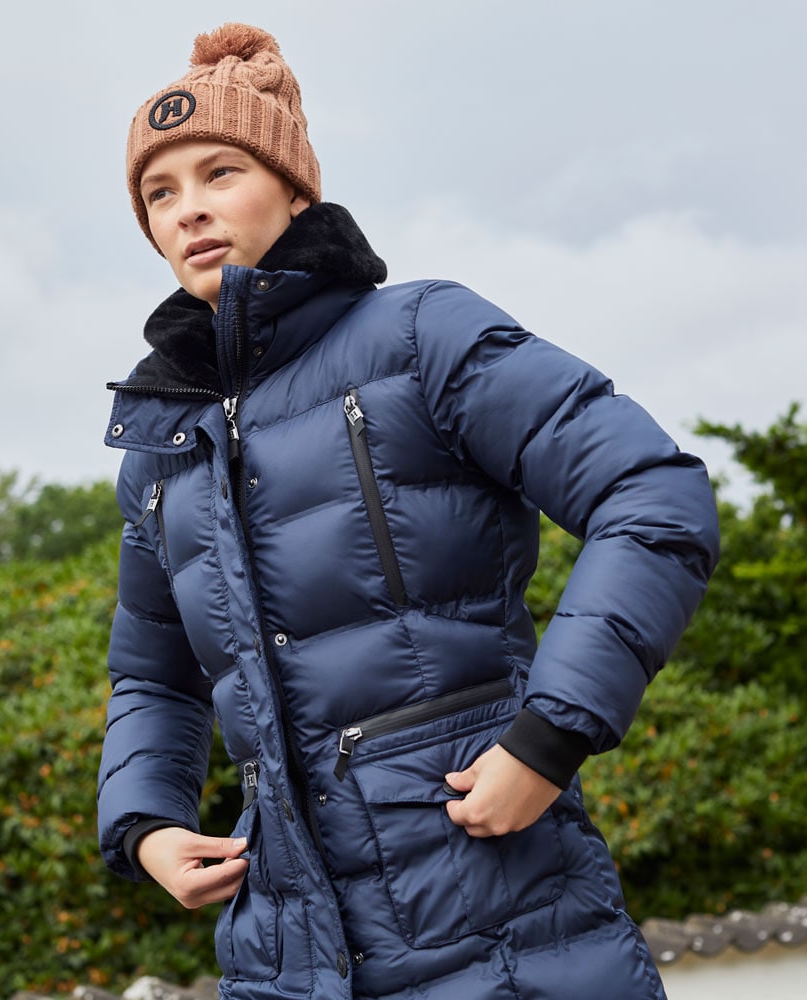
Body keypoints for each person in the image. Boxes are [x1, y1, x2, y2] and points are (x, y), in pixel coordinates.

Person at [98, 22, 719, 1000]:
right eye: (159, 194)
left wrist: (548, 737)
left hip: (497, 910)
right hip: (281, 952)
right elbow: (153, 673)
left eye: (220, 172)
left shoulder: (421, 337)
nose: (190, 210)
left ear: (294, 190)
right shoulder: (163, 446)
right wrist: (145, 823)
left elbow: (651, 493)